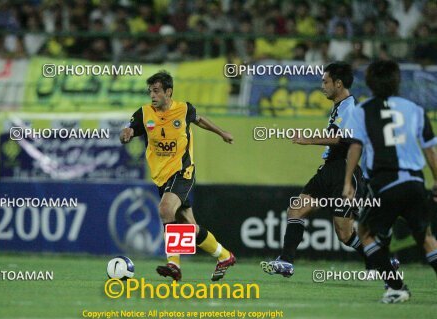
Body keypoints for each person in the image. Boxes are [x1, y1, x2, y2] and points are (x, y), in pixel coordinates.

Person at [120, 71, 236, 281]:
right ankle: (225, 256)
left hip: (183, 171)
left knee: (165, 209)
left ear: (168, 92)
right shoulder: (144, 114)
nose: (152, 96)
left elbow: (199, 120)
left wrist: (222, 133)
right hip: (161, 177)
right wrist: (126, 134)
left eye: (156, 91)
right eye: (150, 92)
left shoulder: (183, 109)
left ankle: (173, 264)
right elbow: (128, 130)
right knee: (188, 228)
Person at [342, 60, 437, 303]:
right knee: (425, 237)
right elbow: (431, 151)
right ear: (397, 81)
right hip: (415, 182)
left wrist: (347, 183)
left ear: (370, 83)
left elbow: (355, 146)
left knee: (364, 232)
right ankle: (396, 286)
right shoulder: (415, 109)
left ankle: (396, 287)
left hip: (385, 183)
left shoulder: (362, 111)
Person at [261, 62, 366, 277]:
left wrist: (308, 140)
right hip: (329, 169)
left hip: (344, 171)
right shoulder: (339, 106)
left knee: (345, 234)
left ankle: (384, 261)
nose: (322, 86)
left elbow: (344, 139)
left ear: (338, 83)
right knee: (296, 209)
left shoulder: (351, 107)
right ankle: (286, 261)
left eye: (325, 82)